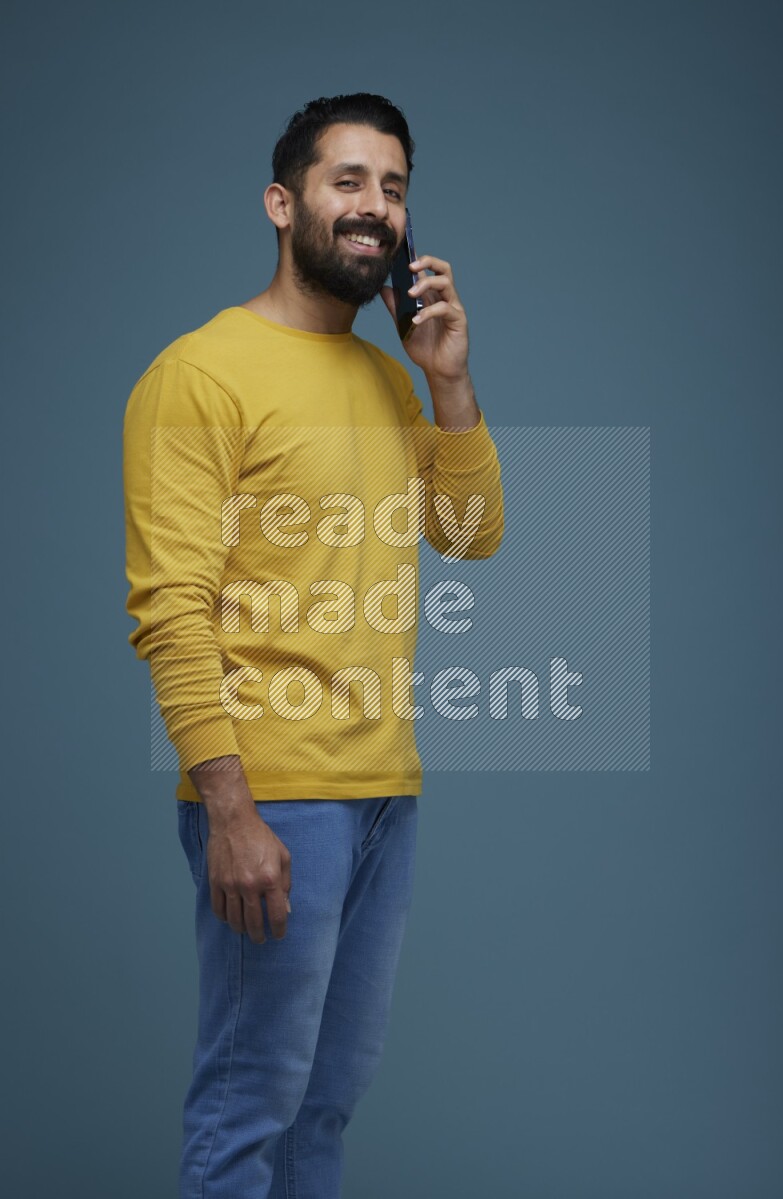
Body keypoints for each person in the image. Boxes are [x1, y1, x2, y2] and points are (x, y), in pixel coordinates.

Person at [123, 92, 504, 1198]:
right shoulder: (199, 373)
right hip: (273, 799)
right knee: (250, 1107)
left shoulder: (390, 380)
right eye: (348, 182)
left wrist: (445, 379)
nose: (374, 208)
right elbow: (170, 608)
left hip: (386, 792)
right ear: (281, 202)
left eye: (392, 188)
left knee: (323, 1105)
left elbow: (470, 537)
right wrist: (229, 809)